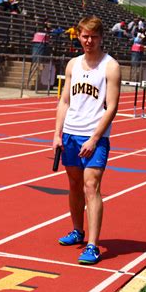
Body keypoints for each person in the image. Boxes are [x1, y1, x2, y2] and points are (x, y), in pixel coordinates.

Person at [53, 16, 121, 265]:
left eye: (93, 36)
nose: (88, 41)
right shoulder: (73, 64)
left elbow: (112, 107)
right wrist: (57, 133)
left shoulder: (110, 66)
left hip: (95, 136)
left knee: (91, 187)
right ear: (79, 36)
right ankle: (77, 230)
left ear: (101, 37)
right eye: (84, 36)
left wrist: (94, 138)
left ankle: (93, 245)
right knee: (73, 185)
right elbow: (64, 101)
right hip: (70, 133)